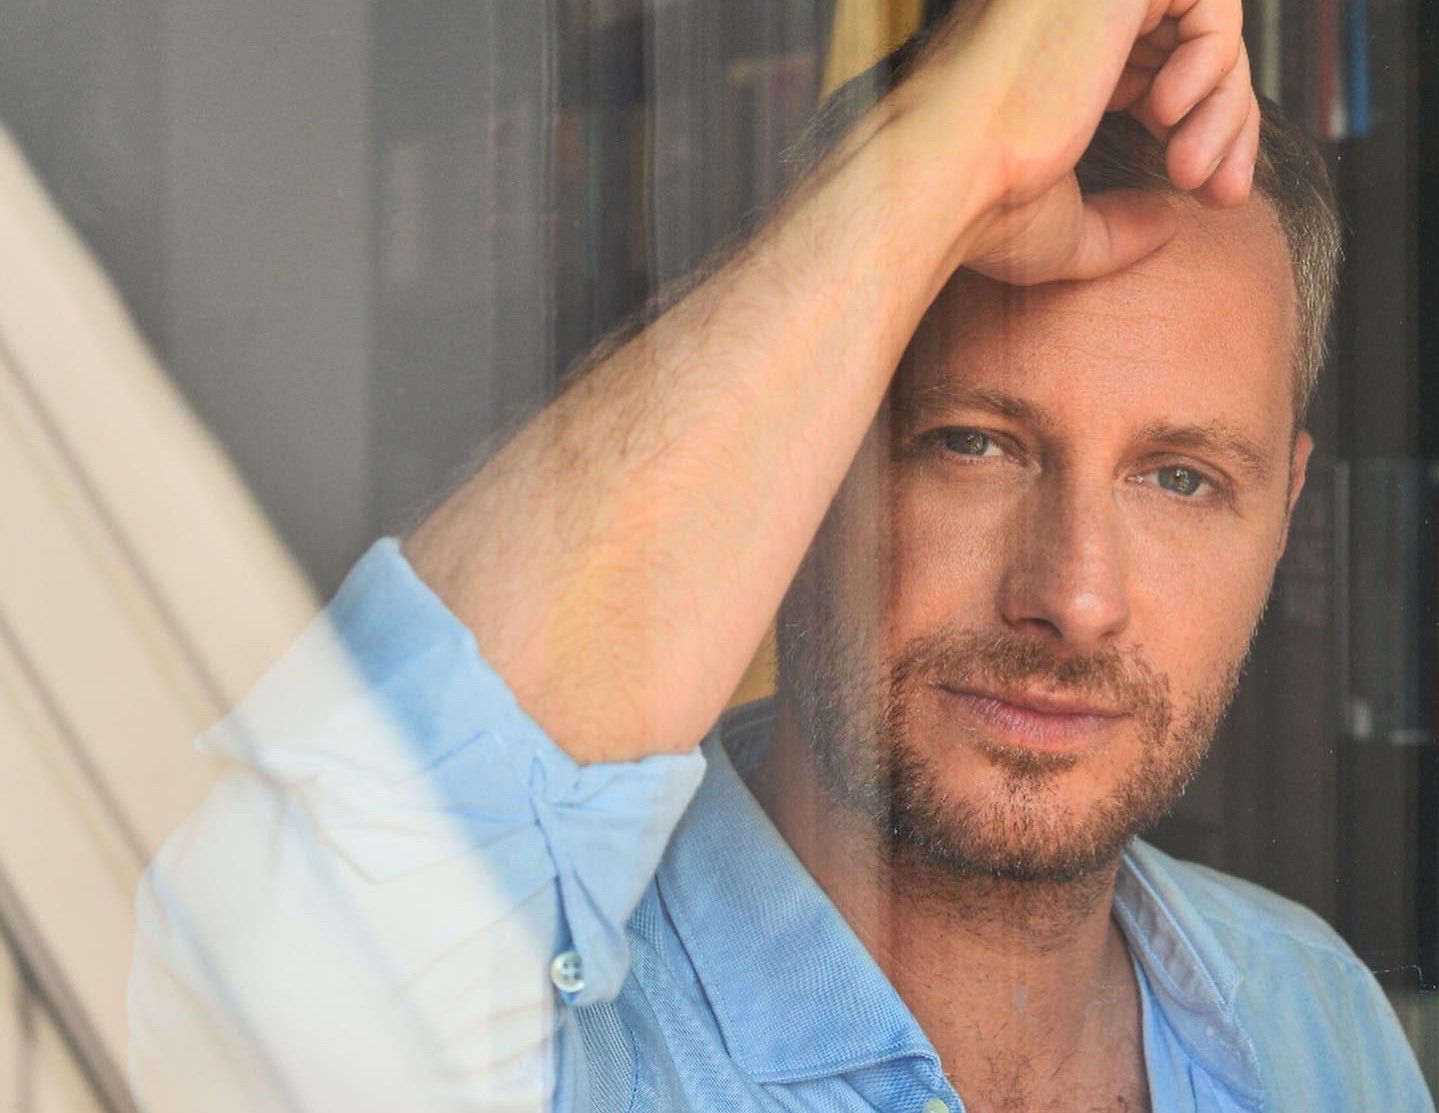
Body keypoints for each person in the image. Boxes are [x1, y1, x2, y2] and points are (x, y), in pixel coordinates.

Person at [127, 1, 1434, 1110]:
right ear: (796, 466)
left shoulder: (1318, 1022)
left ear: (1285, 508)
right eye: (971, 444)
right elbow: (282, 948)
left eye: (1181, 477)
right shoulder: (550, 1030)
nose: (1076, 596)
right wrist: (949, 151)